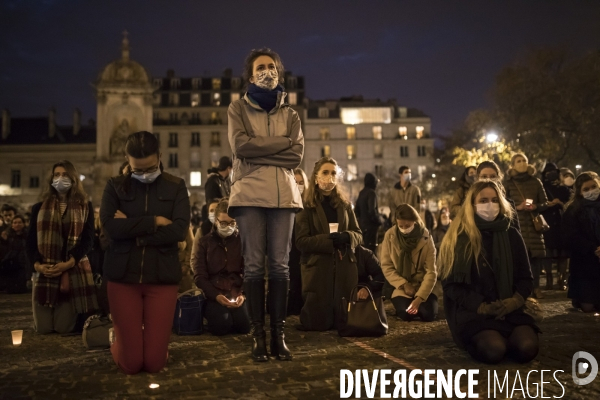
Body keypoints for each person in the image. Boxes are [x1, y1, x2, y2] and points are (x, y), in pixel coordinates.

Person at [227, 48, 304, 362]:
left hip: (283, 196)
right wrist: (281, 144)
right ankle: (258, 337)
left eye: (272, 66)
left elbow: (296, 156)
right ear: (250, 75)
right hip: (248, 195)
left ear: (279, 73)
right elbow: (240, 146)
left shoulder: (291, 114)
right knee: (256, 266)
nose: (267, 71)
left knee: (281, 267)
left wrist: (260, 151)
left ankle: (278, 336)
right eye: (261, 67)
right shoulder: (238, 109)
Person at [100, 131, 190, 374]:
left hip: (161, 278)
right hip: (122, 278)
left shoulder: (176, 186)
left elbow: (179, 231)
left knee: (153, 364)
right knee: (131, 365)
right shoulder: (114, 186)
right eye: (137, 170)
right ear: (127, 161)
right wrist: (154, 221)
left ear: (160, 157)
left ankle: (147, 347)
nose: (144, 175)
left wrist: (131, 228)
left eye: (150, 168)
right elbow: (109, 227)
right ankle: (118, 343)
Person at [439, 180, 539, 364]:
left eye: (494, 200)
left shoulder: (511, 233)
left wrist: (515, 301)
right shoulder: (459, 237)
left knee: (528, 348)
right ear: (472, 204)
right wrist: (482, 306)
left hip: (510, 311)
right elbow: (451, 285)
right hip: (475, 314)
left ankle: (507, 337)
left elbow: (526, 277)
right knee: (494, 350)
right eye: (483, 200)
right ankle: (482, 341)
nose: (490, 205)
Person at [26, 160, 97, 334]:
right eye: (56, 175)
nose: (60, 178)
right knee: (43, 328)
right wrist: (37, 265)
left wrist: (69, 263)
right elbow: (30, 241)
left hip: (71, 270)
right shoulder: (39, 207)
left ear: (73, 178)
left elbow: (88, 240)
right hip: (45, 271)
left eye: (65, 175)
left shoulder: (85, 207)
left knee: (63, 328)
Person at [295, 157, 363, 331]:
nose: (330, 177)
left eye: (333, 173)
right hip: (318, 272)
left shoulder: (345, 205)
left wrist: (347, 237)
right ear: (316, 177)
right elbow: (301, 241)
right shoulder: (306, 207)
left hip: (343, 271)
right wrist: (328, 241)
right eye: (325, 172)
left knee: (345, 321)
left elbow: (359, 234)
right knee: (318, 323)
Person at [192, 198, 250, 335]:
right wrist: (216, 296)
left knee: (244, 326)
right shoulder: (204, 242)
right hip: (214, 293)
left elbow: (249, 270)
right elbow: (199, 276)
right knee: (222, 326)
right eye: (223, 222)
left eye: (232, 223)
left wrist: (242, 294)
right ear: (216, 221)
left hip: (236, 291)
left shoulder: (241, 241)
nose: (228, 226)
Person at [504, 153, 553, 299]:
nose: (522, 163)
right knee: (519, 259)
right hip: (516, 225)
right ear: (513, 165)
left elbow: (545, 203)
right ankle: (521, 289)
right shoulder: (509, 183)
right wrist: (517, 207)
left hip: (533, 226)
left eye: (524, 160)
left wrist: (535, 206)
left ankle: (536, 287)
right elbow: (503, 204)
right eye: (518, 161)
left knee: (535, 259)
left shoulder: (536, 182)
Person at [380, 204, 440, 321]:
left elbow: (431, 272)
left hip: (422, 284)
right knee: (406, 314)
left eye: (407, 225)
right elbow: (387, 266)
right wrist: (404, 284)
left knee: (428, 315)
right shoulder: (390, 236)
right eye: (400, 225)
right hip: (402, 287)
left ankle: (423, 303)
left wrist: (419, 298)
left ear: (415, 221)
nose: (404, 229)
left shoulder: (425, 237)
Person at [562, 172, 600, 312]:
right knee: (588, 306)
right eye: (586, 189)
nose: (591, 191)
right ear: (579, 191)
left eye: (593, 187)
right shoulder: (573, 210)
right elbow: (570, 237)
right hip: (585, 263)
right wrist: (594, 248)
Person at [540, 163, 571, 290]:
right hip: (547, 224)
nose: (551, 173)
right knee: (548, 253)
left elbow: (570, 204)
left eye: (553, 171)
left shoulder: (564, 189)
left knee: (562, 254)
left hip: (561, 224)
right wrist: (546, 204)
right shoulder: (541, 187)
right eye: (548, 172)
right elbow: (538, 204)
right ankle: (548, 279)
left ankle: (561, 279)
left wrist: (561, 203)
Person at [476, 160, 520, 232]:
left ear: (498, 178)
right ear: (478, 178)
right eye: (484, 176)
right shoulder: (470, 203)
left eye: (493, 176)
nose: (488, 179)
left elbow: (516, 232)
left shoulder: (509, 204)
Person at [288, 168, 308, 315]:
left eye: (301, 182)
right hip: (290, 247)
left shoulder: (309, 204)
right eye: (295, 182)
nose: (299, 185)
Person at [0, 215, 29, 293]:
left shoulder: (27, 235)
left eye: (19, 222)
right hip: (11, 262)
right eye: (15, 223)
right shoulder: (8, 235)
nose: (17, 224)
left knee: (21, 289)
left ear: (23, 224)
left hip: (23, 262)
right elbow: (4, 250)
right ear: (12, 225)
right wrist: (3, 240)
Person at [355, 173, 382, 253]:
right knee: (372, 251)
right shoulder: (371, 193)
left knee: (365, 251)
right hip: (371, 228)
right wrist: (379, 222)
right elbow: (372, 210)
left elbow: (356, 211)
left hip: (363, 227)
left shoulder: (361, 193)